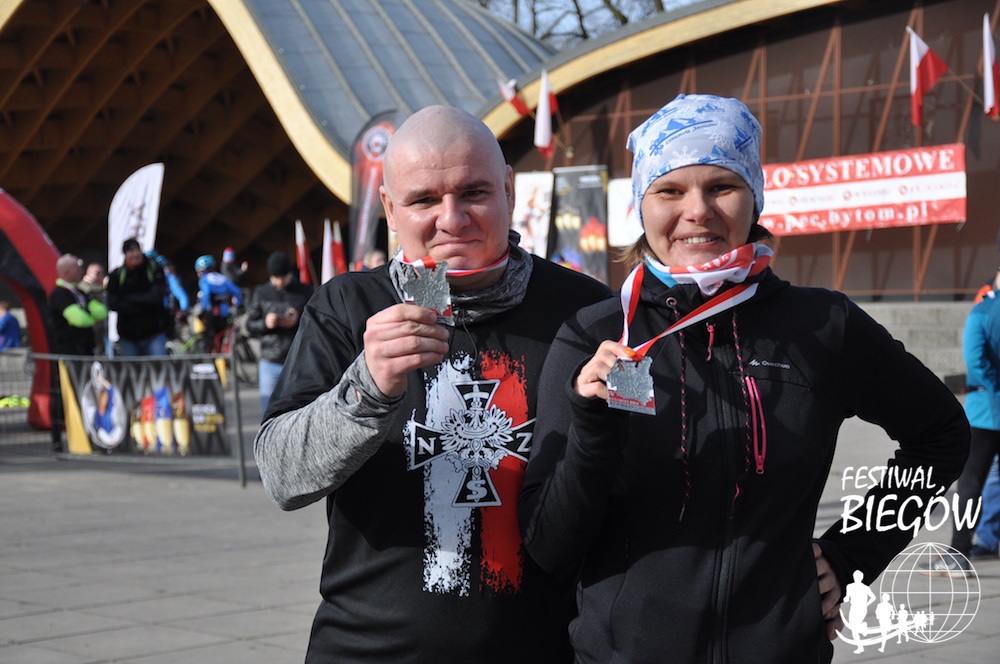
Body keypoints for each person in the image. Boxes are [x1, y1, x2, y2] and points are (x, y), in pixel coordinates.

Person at [517, 94, 969, 663]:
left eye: (722, 186)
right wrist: (591, 424)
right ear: (640, 205)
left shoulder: (822, 324)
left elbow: (941, 436)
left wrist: (852, 553)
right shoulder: (595, 335)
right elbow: (549, 547)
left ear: (754, 196)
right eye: (669, 190)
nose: (698, 210)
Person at [254, 105, 610, 663]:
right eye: (423, 200)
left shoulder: (586, 310)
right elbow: (282, 477)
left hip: (542, 649)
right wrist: (368, 388)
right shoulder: (347, 305)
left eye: (474, 192)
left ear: (509, 190)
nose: (452, 218)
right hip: (369, 650)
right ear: (390, 210)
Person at [934, 273, 1000, 571]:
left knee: (970, 485)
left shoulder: (984, 310)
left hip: (986, 412)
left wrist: (995, 388)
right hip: (987, 410)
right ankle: (987, 542)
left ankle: (958, 554)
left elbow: (974, 359)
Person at [48, 254, 109, 450]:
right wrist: (89, 315)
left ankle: (90, 437)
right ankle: (57, 440)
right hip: (66, 354)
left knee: (87, 393)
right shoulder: (59, 295)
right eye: (77, 268)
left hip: (85, 352)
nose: (81, 271)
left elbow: (101, 311)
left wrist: (88, 314)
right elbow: (79, 319)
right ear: (67, 272)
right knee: (62, 396)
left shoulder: (80, 292)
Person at [245, 251, 313, 412]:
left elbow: (316, 324)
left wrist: (298, 319)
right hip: (271, 360)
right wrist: (266, 323)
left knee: (300, 411)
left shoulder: (305, 291)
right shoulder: (261, 293)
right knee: (269, 410)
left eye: (283, 277)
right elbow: (250, 326)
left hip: (298, 360)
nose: (280, 282)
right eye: (276, 278)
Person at [107, 238, 169, 356]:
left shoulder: (154, 270)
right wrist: (144, 303)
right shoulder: (117, 275)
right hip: (128, 336)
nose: (135, 254)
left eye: (137, 250)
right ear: (125, 254)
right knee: (131, 367)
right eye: (131, 251)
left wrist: (128, 299)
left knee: (158, 365)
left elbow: (156, 297)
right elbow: (113, 304)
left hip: (154, 333)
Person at [194, 254, 242, 352]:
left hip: (212, 315)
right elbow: (237, 291)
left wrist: (205, 309)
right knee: (222, 338)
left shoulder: (205, 279)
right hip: (225, 314)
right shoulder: (223, 278)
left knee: (208, 337)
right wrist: (238, 305)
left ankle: (206, 354)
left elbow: (206, 294)